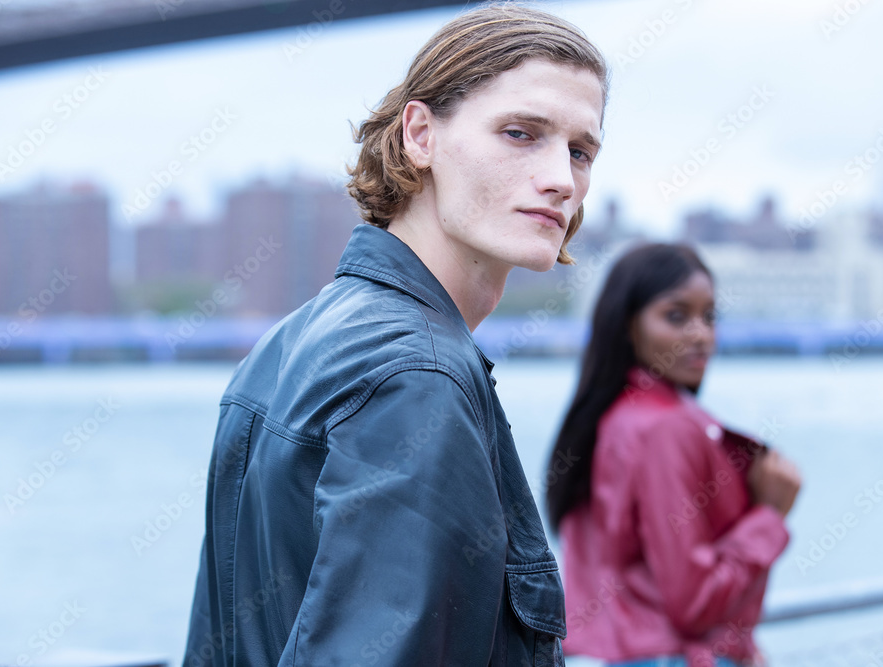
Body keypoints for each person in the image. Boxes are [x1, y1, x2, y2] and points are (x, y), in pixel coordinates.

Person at [182, 3, 609, 665]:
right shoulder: (418, 376)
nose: (562, 179)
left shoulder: (290, 340)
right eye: (521, 133)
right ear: (420, 135)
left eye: (580, 151)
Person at [544, 243, 802, 667]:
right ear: (629, 326)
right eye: (677, 316)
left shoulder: (611, 418)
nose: (700, 334)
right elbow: (694, 603)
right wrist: (769, 518)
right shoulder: (667, 428)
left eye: (710, 316)